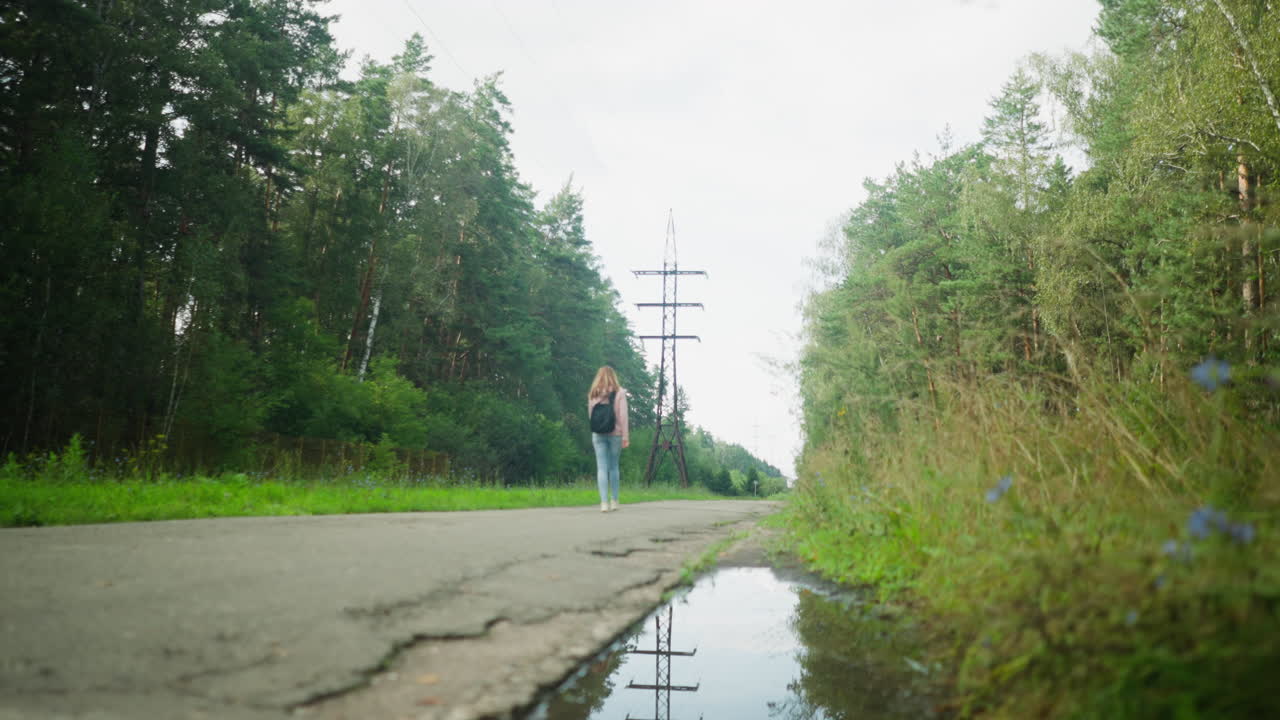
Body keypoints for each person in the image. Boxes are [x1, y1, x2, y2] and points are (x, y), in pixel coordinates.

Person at [587, 365, 629, 512]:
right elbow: (623, 416)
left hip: (598, 434)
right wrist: (625, 436)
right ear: (614, 376)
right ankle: (614, 501)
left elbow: (590, 415)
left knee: (601, 468)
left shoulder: (593, 393)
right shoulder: (620, 393)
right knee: (613, 467)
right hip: (616, 434)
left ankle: (603, 503)